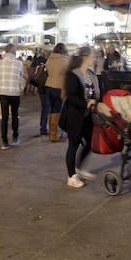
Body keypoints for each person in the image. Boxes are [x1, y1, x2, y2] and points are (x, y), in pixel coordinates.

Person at [59, 46, 99, 188]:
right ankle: (71, 176)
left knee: (90, 143)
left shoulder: (90, 74)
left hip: (88, 116)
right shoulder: (73, 75)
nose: (95, 59)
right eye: (93, 56)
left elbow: (95, 93)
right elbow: (71, 97)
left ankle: (79, 169)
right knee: (74, 145)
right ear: (85, 57)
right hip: (74, 116)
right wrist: (87, 103)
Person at [0, 44, 24, 149]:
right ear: (12, 51)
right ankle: (15, 137)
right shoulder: (19, 63)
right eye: (15, 50)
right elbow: (21, 76)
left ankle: (4, 141)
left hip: (3, 92)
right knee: (15, 115)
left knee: (4, 117)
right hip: (14, 92)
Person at [42, 43, 68, 141]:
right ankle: (53, 135)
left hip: (48, 85)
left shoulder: (49, 59)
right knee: (57, 110)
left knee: (52, 110)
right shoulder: (64, 61)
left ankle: (51, 134)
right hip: (58, 86)